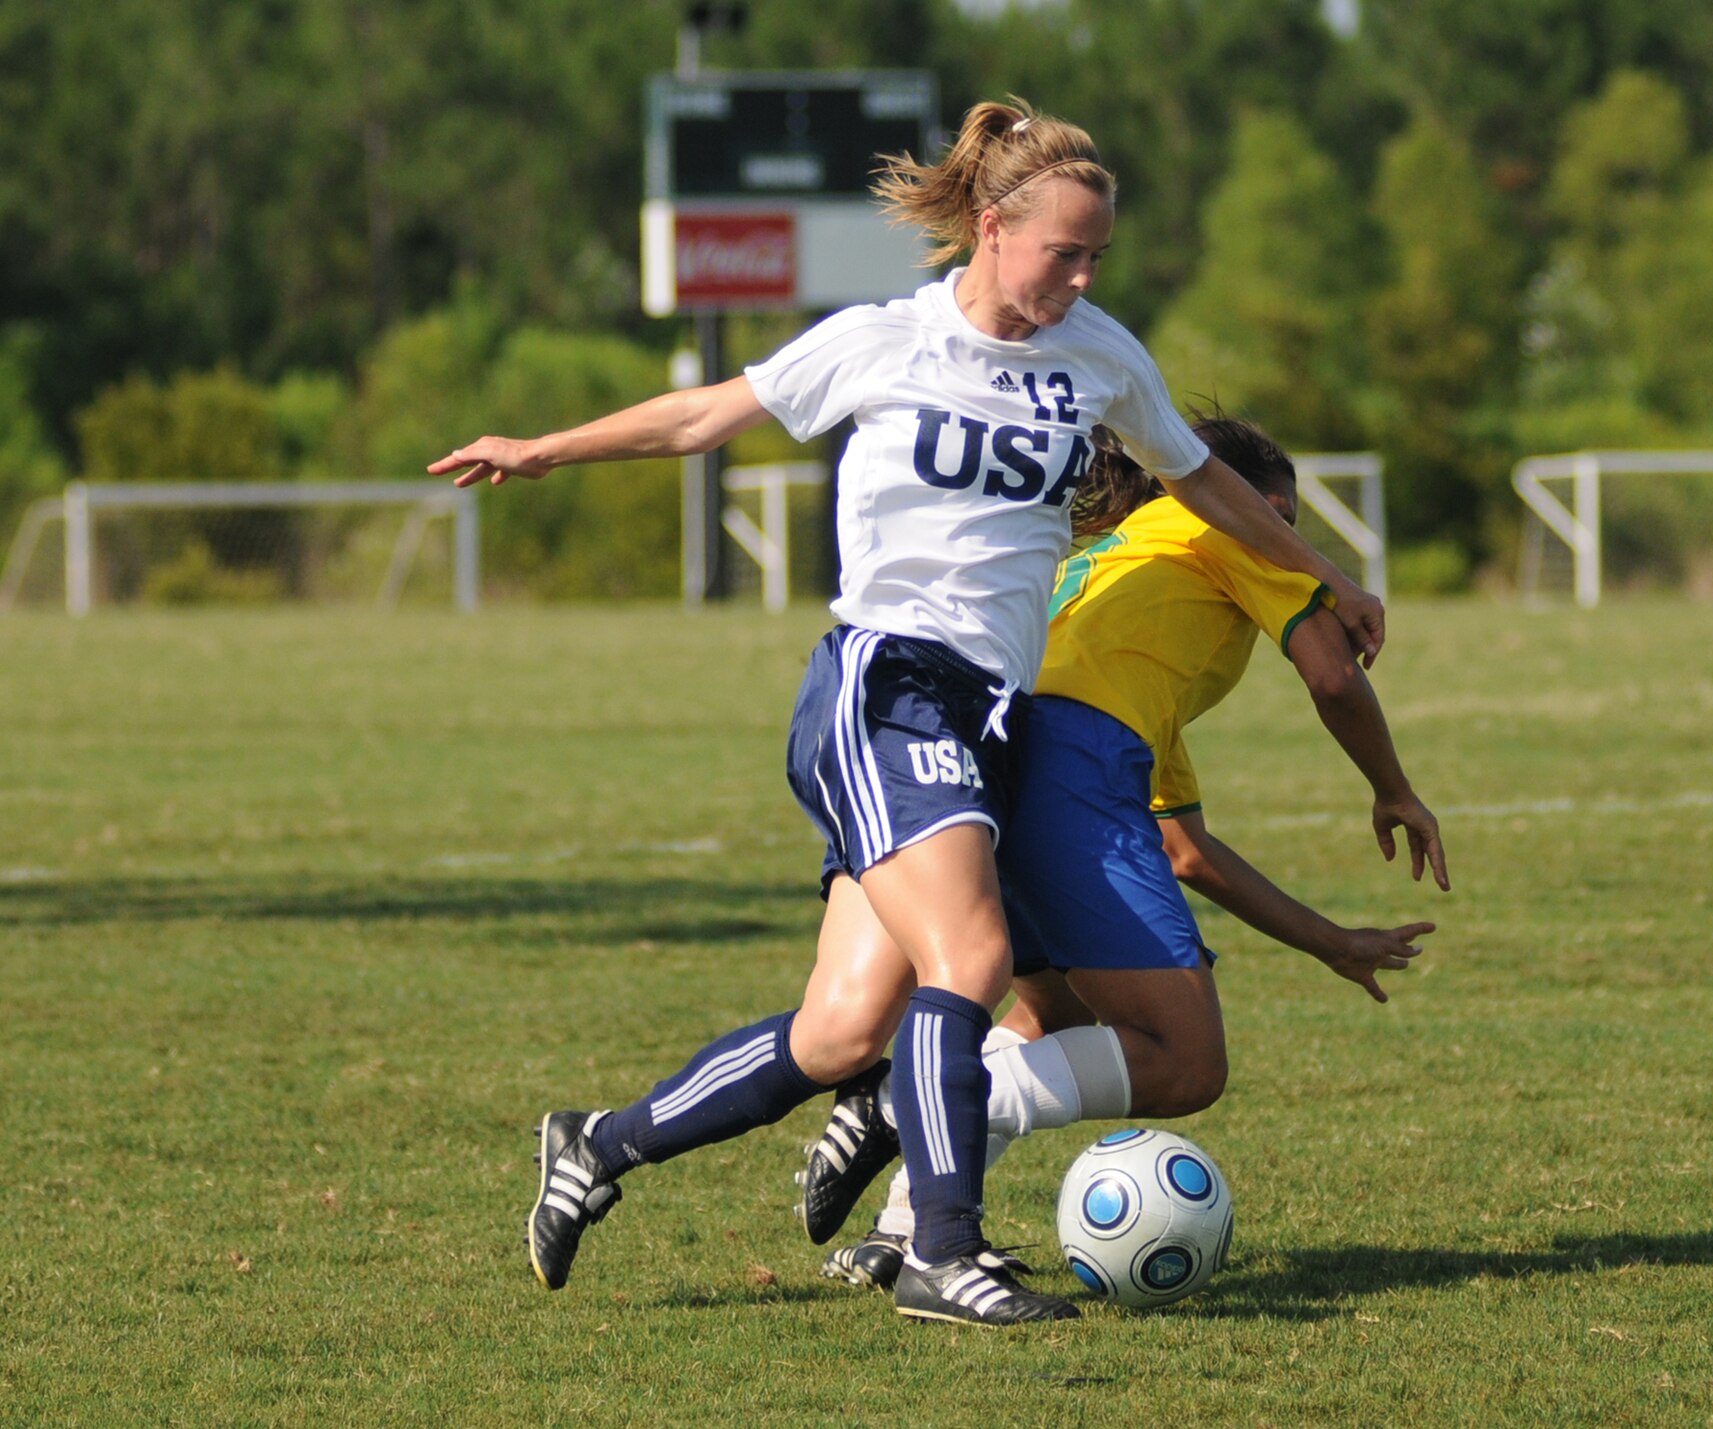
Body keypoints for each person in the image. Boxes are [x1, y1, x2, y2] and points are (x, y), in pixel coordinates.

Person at [428, 98, 1385, 1327]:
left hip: (986, 714)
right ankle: (942, 1249)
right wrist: (544, 449)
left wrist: (1328, 579)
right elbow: (698, 417)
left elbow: (1204, 487)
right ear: (992, 228)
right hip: (886, 683)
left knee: (839, 1031)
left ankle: (594, 1145)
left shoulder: (1102, 357)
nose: (1082, 276)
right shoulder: (883, 341)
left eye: (1097, 256)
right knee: (972, 960)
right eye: (1063, 252)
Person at [795, 415, 1449, 1290]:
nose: (1288, 540)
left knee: (1052, 1012)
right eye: (1281, 515)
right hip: (1071, 763)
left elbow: (1186, 848)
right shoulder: (1224, 521)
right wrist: (1393, 787)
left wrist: (1330, 940)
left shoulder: (1126, 589)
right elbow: (1333, 674)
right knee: (1185, 1059)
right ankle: (918, 1099)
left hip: (987, 754)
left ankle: (904, 1228)